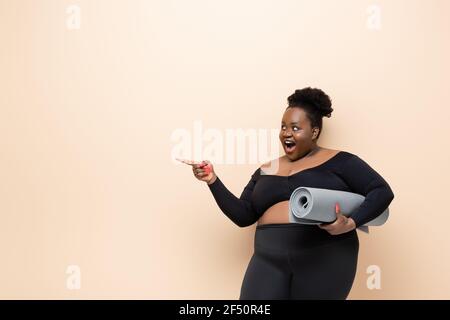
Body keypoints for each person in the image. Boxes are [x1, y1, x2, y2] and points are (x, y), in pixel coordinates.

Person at [182, 87, 395, 299]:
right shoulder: (266, 169)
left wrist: (351, 223)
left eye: (295, 128)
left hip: (325, 254)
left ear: (314, 132)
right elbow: (243, 215)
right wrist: (212, 180)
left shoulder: (342, 161)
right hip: (267, 257)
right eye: (283, 127)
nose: (286, 133)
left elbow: (381, 191)